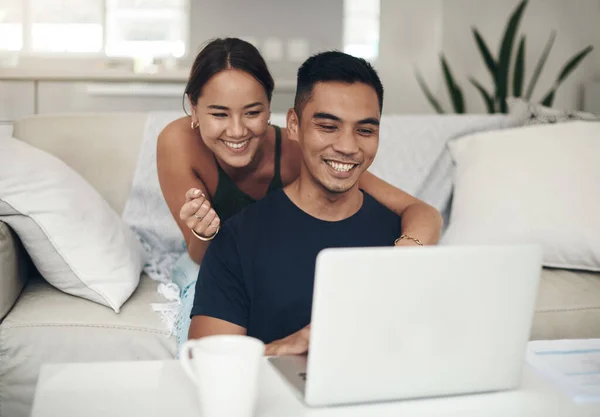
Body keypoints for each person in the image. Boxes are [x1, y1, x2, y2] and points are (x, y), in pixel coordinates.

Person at [157, 38, 443, 347]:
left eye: (252, 112)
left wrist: (403, 258)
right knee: (195, 319)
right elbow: (203, 253)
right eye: (219, 114)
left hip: (261, 253)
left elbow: (419, 211)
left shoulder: (301, 151)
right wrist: (203, 233)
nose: (237, 130)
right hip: (206, 256)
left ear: (270, 110)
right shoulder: (178, 143)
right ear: (194, 110)